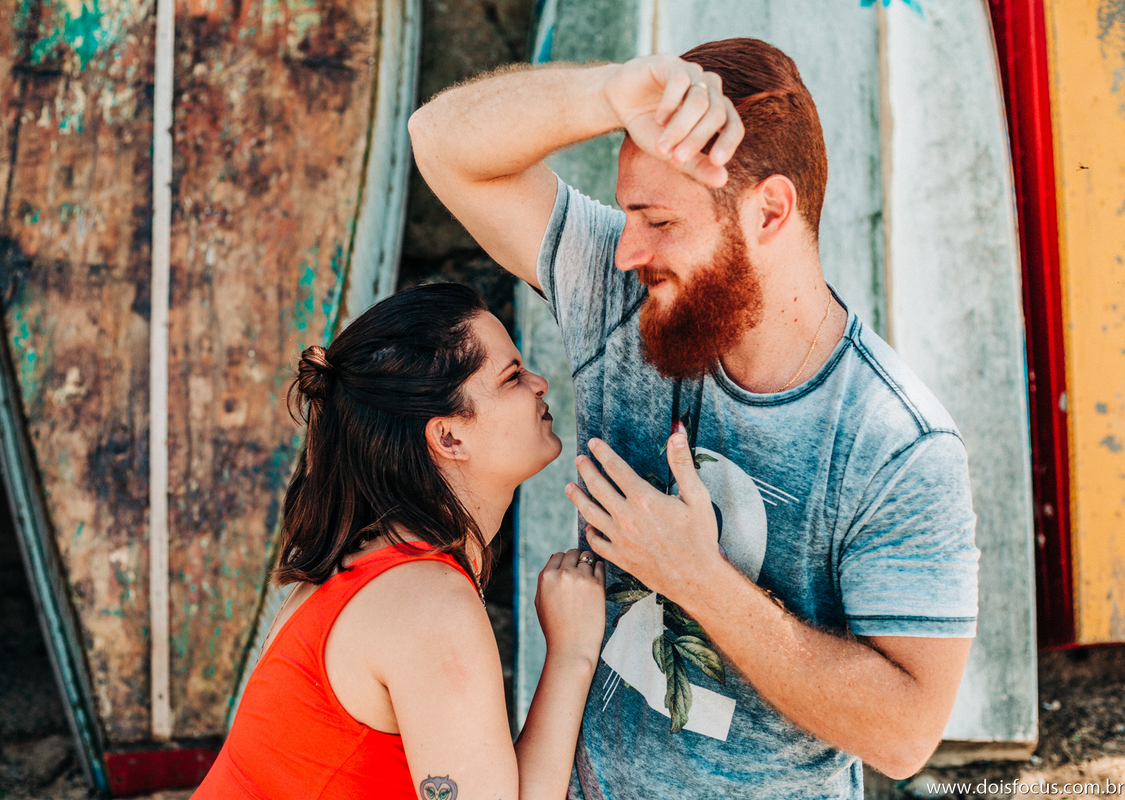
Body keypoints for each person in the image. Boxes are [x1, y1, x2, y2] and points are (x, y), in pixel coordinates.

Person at [409, 38, 980, 798]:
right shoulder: (631, 302)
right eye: (626, 216)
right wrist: (609, 92)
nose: (626, 250)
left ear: (770, 210)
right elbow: (440, 143)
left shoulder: (898, 446)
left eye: (658, 221)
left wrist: (696, 578)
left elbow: (905, 735)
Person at [193, 282, 606, 800]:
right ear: (449, 437)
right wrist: (571, 653)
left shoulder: (374, 564)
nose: (541, 383)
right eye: (513, 376)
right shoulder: (429, 606)